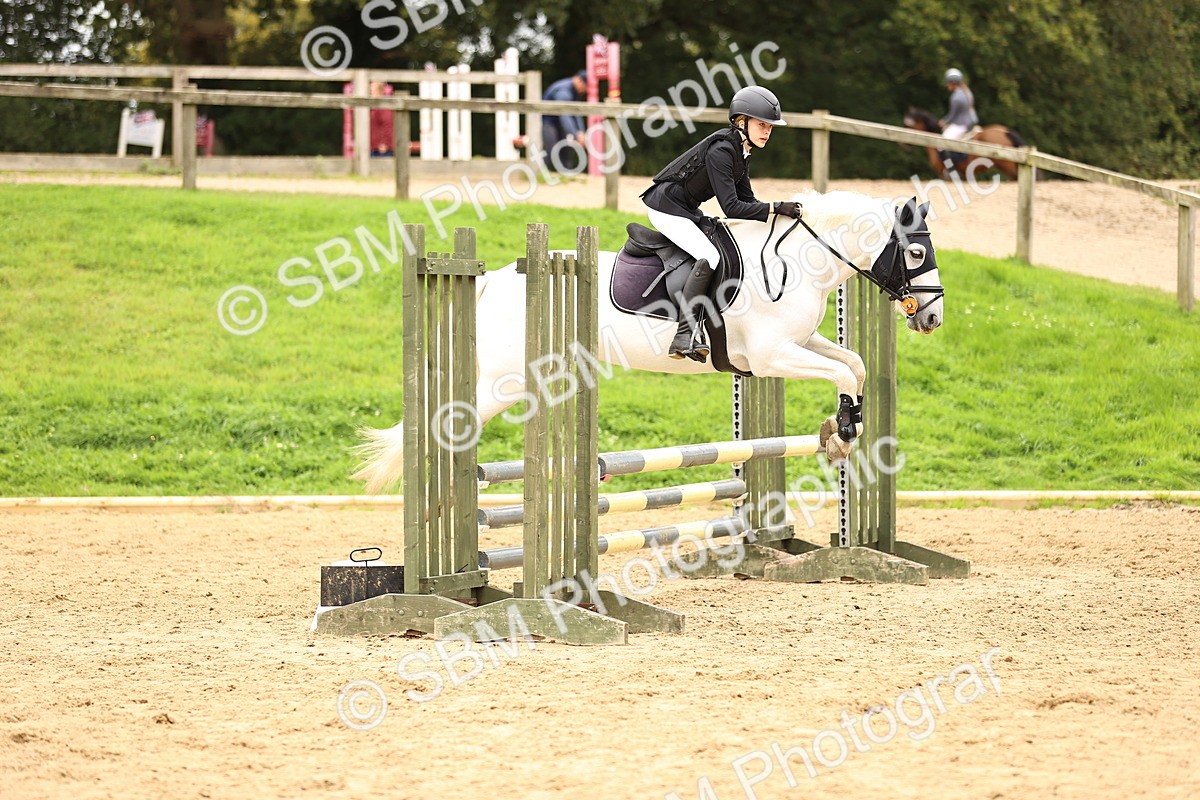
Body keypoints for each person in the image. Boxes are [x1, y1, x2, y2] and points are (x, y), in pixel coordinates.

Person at [640, 85, 802, 362]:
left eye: (770, 127)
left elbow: (748, 199)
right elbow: (732, 208)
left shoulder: (741, 151)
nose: (767, 132)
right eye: (761, 124)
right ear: (741, 122)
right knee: (709, 256)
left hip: (685, 209)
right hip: (665, 208)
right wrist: (777, 207)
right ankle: (684, 335)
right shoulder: (722, 151)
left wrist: (777, 214)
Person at [541, 70, 588, 172]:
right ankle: (538, 173)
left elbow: (576, 112)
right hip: (548, 122)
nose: (584, 91)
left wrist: (581, 131)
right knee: (551, 151)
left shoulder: (575, 91)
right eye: (585, 87)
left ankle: (567, 174)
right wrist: (575, 135)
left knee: (566, 150)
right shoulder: (564, 91)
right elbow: (564, 115)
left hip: (559, 123)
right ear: (579, 81)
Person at [939, 68, 978, 140]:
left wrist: (943, 121)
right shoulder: (967, 92)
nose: (946, 85)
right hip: (971, 121)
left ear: (953, 82)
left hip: (961, 125)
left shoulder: (955, 97)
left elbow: (952, 115)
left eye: (948, 83)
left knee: (942, 143)